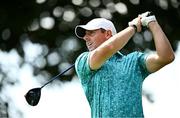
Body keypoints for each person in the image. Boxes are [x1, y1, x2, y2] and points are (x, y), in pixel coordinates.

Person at [74, 11, 175, 118]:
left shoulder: (134, 61)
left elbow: (166, 57)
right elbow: (109, 48)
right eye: (85, 35)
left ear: (108, 34)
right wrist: (133, 27)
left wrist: (152, 23)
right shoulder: (83, 61)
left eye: (91, 33)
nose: (86, 38)